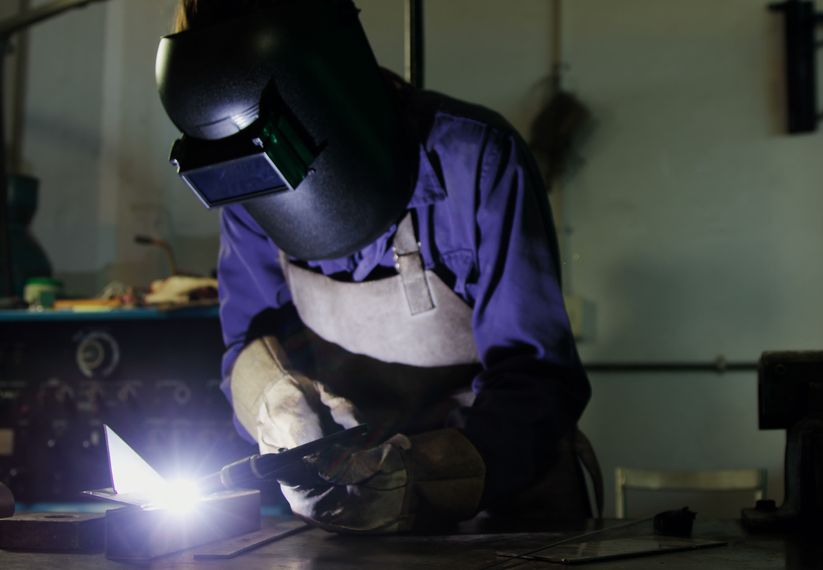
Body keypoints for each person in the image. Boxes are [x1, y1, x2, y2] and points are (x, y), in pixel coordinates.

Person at [156, 0, 596, 532]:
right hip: (353, 521)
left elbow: (539, 376)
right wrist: (273, 400)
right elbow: (249, 339)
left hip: (504, 519)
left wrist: (431, 471)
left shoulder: (475, 158)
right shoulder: (246, 181)